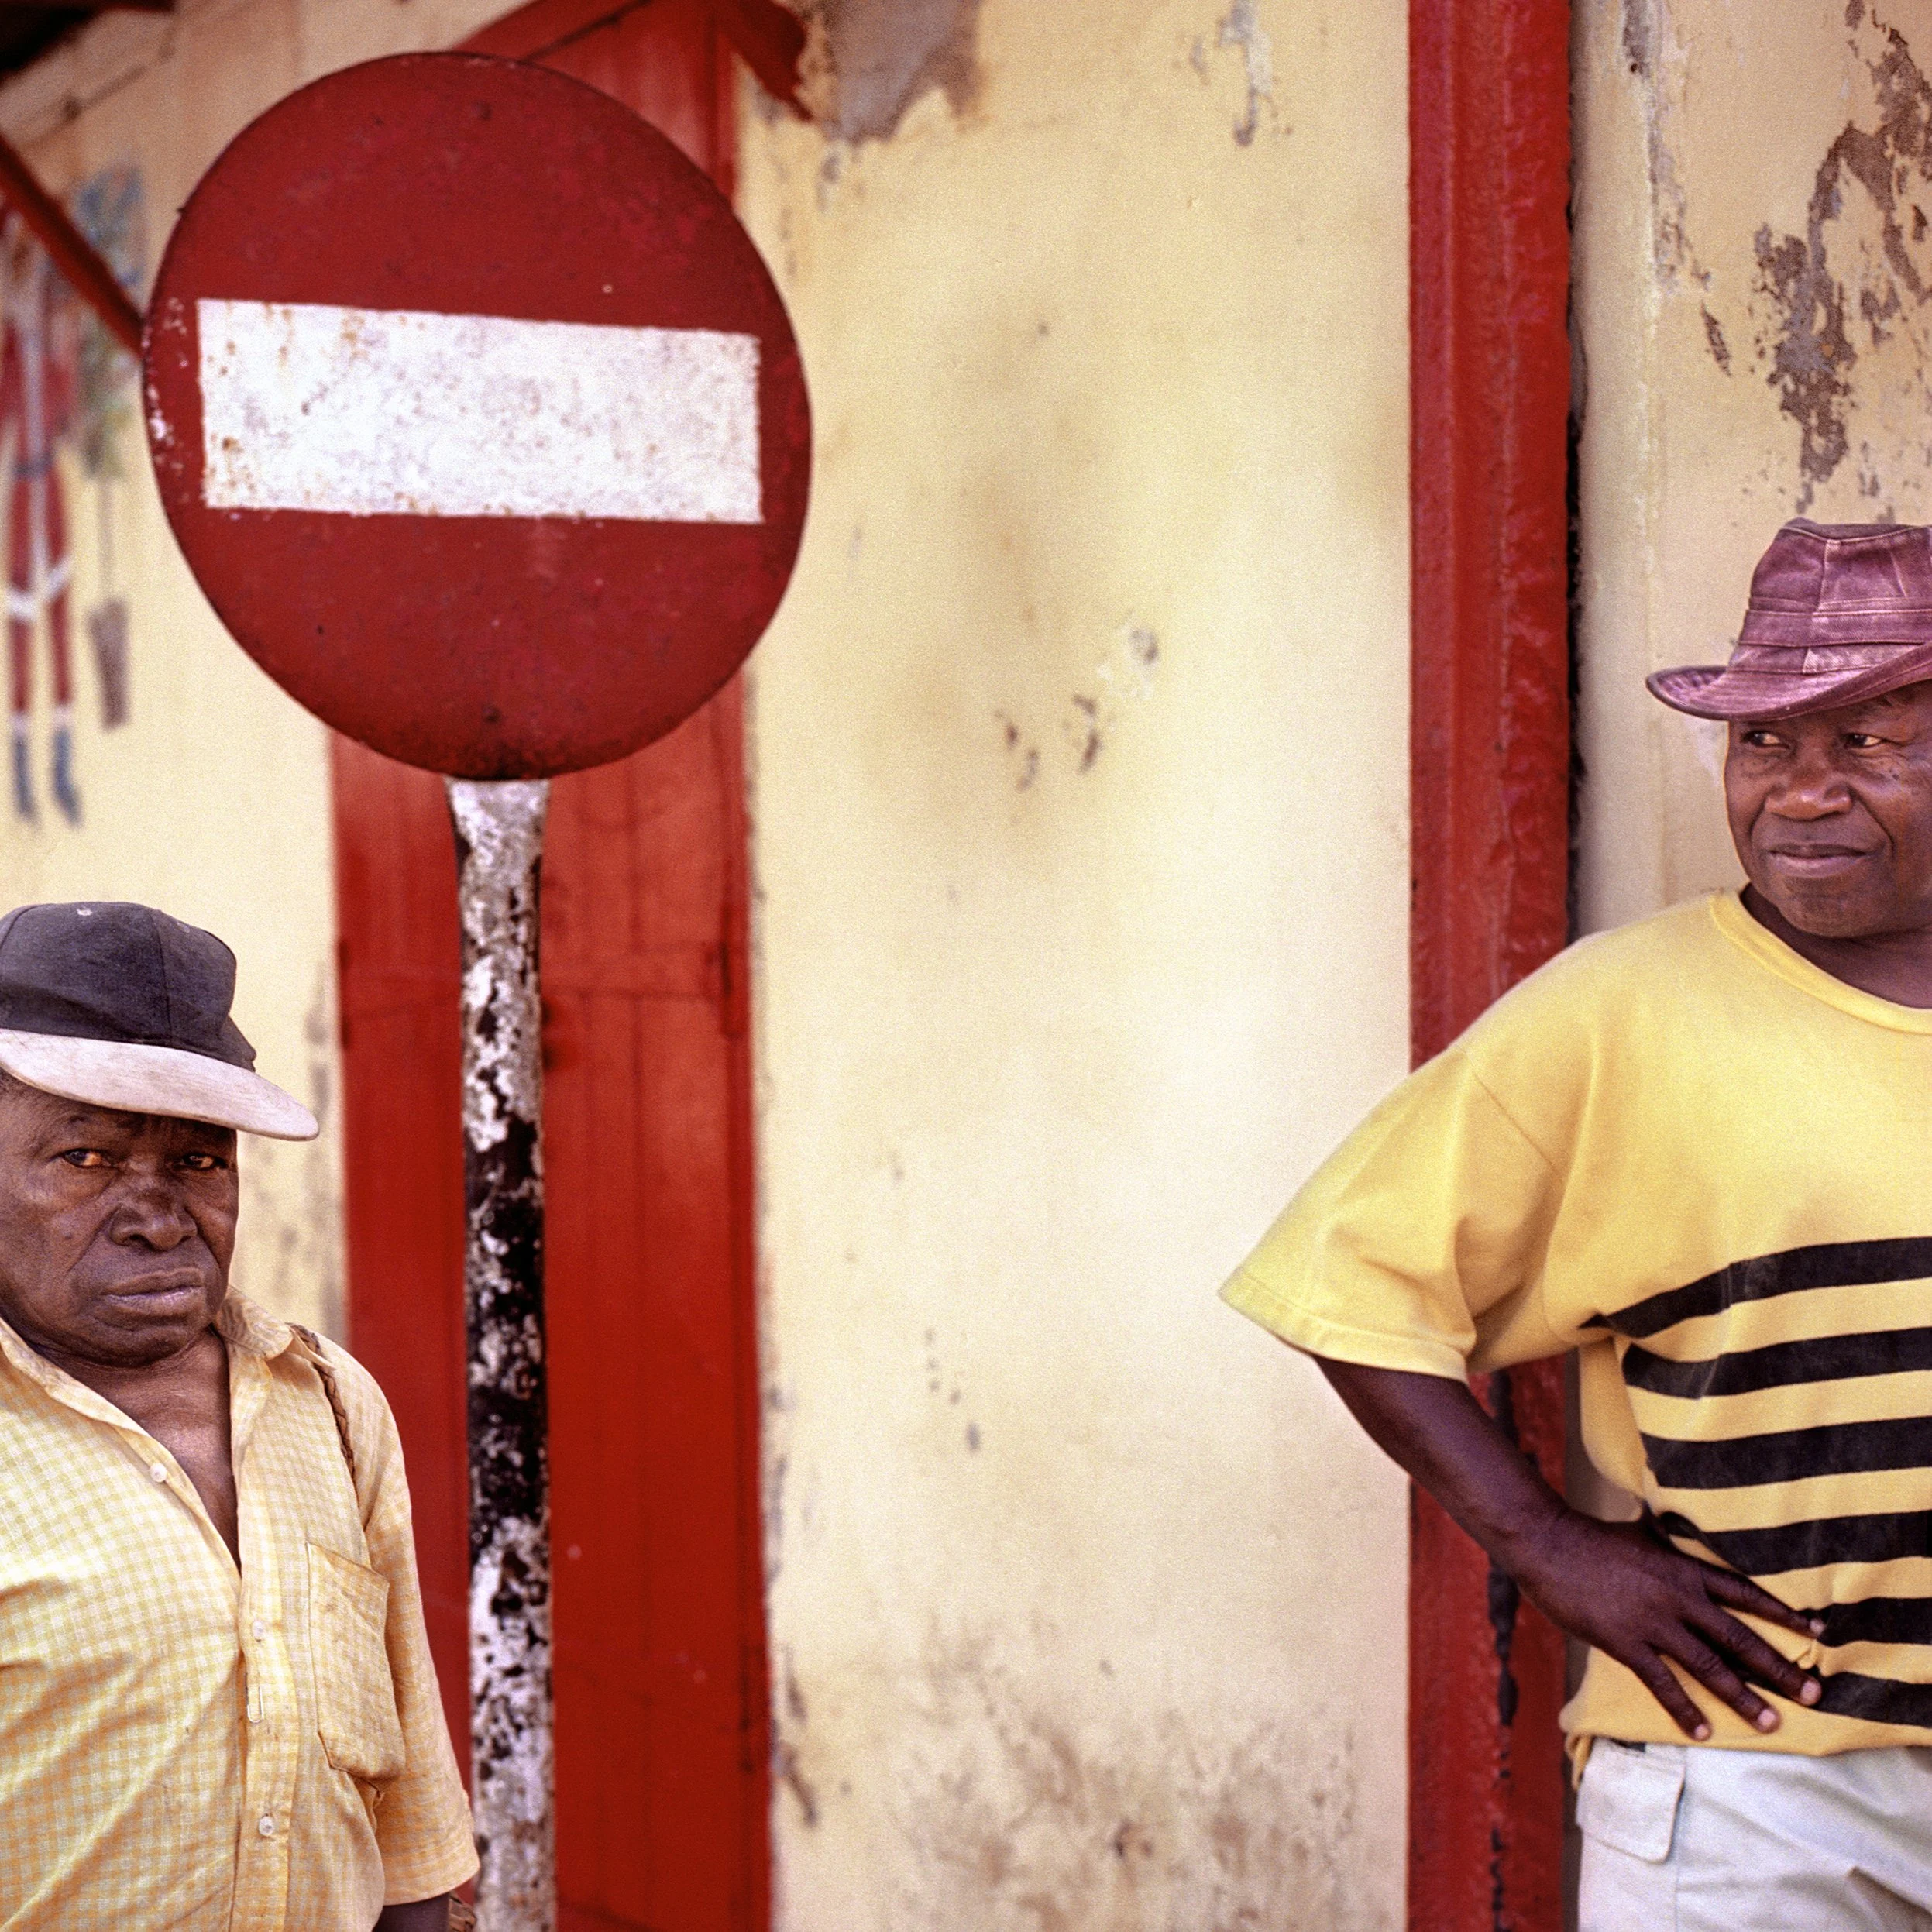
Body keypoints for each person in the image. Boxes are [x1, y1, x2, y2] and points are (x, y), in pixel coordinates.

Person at [1225, 517, 1932, 1930]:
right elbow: (1347, 1280)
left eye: (1864, 743)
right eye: (1760, 746)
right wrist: (1547, 1544)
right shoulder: (1617, 1013)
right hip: (1755, 1788)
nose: (1796, 797)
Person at [0, 900, 476, 1930]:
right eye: (85, 1157)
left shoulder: (329, 1402)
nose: (159, 1213)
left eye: (199, 1160)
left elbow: (408, 1839)